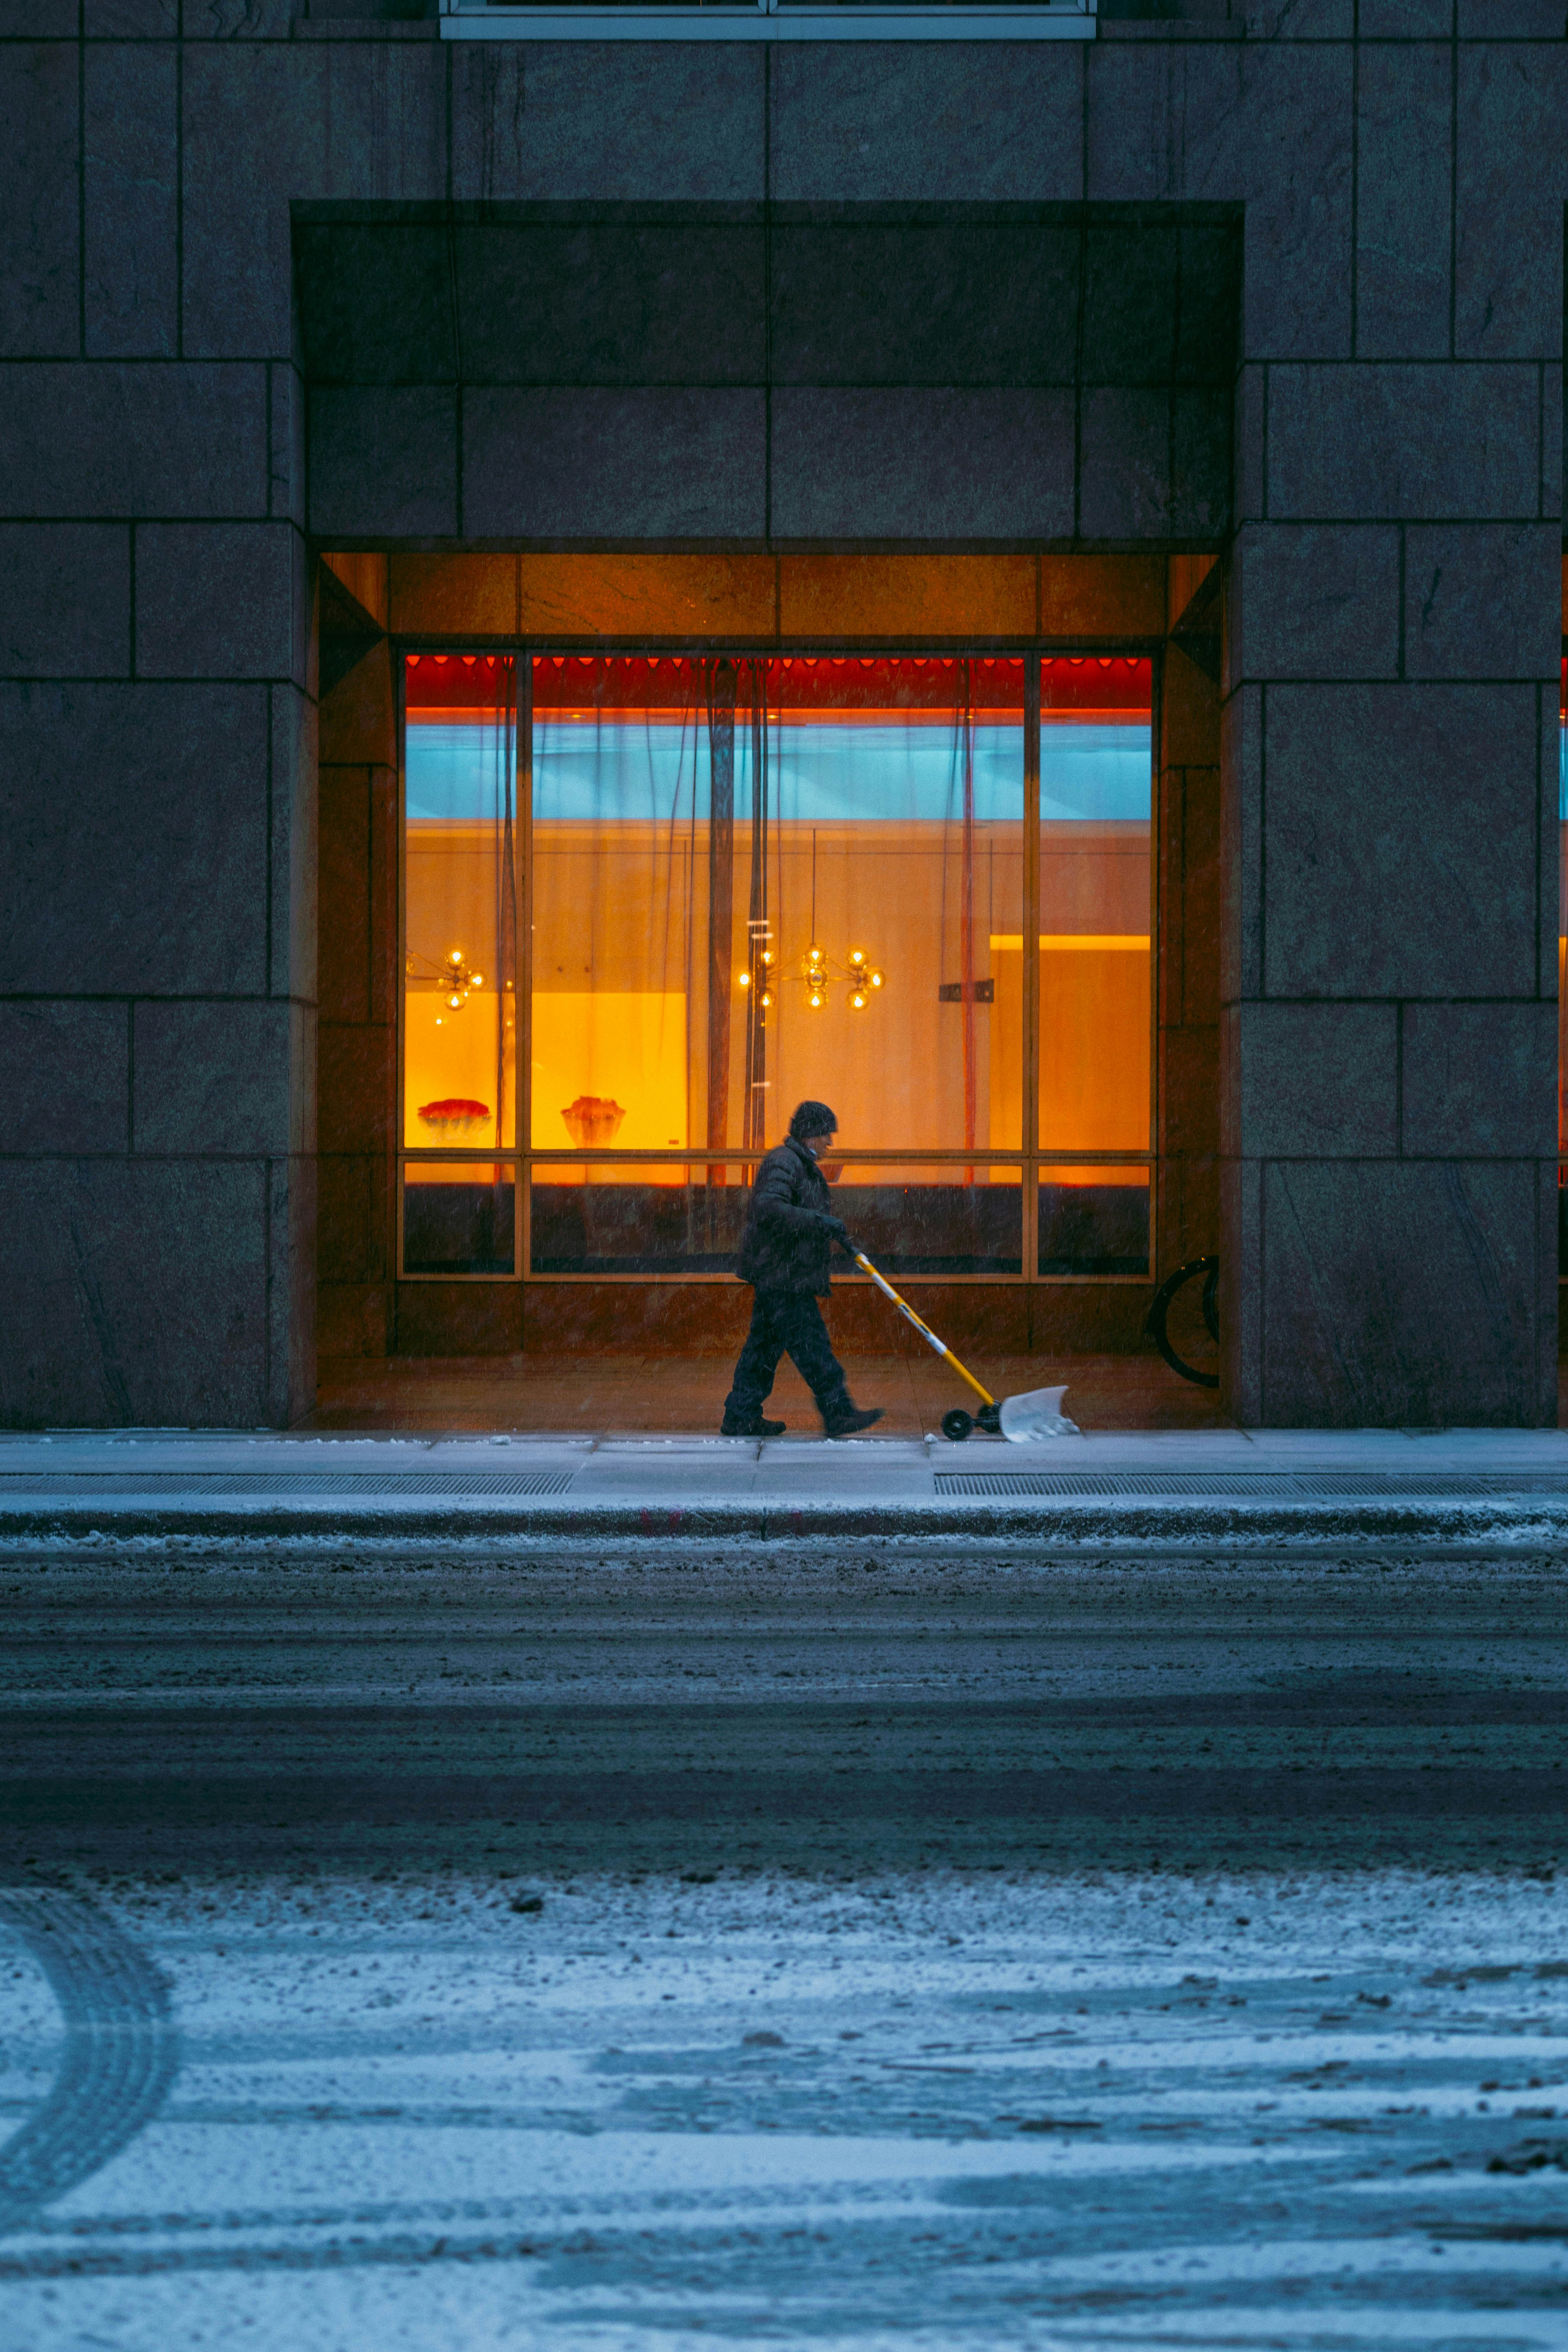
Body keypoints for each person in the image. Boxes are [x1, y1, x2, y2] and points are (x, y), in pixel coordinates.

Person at [720, 1101, 884, 1440]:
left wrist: (823, 1227)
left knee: (763, 1349)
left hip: (781, 1273)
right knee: (812, 1345)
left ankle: (741, 1415)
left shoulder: (798, 1163)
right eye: (827, 1135)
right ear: (810, 1134)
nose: (830, 1144)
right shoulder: (785, 1162)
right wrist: (817, 1221)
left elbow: (788, 1211)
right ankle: (837, 1411)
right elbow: (769, 1208)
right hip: (784, 1276)